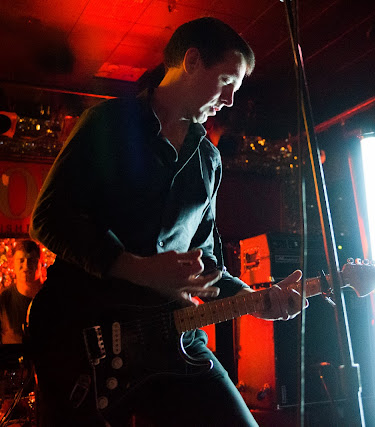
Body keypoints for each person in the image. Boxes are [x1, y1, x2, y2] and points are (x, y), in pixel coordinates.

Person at [28, 17, 304, 426]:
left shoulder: (208, 159)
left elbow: (207, 265)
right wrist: (136, 268)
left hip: (174, 337)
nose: (230, 100)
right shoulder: (107, 123)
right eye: (226, 80)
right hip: (82, 335)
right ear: (192, 61)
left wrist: (257, 300)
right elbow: (47, 218)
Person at [0, 239, 43, 344]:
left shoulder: (53, 298)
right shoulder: (3, 300)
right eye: (21, 260)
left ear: (41, 263)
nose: (26, 266)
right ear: (12, 263)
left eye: (31, 260)